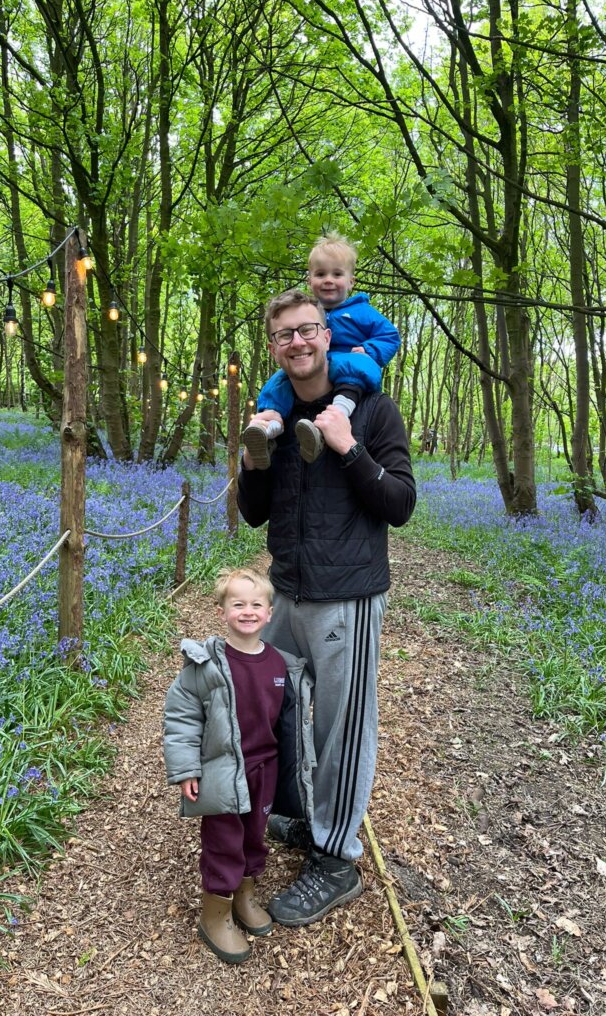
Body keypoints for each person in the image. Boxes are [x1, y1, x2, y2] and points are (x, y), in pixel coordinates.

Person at [237, 289, 416, 928]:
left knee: (340, 729)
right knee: (274, 709)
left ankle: (336, 857)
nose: (298, 343)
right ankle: (300, 814)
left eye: (307, 330)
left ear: (328, 334)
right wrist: (255, 454)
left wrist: (348, 447)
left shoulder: (371, 409)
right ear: (274, 347)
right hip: (287, 590)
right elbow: (253, 511)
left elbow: (399, 503)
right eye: (284, 335)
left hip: (349, 598)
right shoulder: (274, 412)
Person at [162, 568, 313, 963]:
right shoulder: (206, 665)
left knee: (254, 835)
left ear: (269, 613)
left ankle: (245, 893)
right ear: (222, 611)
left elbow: (290, 724)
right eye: (237, 604)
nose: (247, 611)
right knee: (223, 840)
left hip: (265, 768)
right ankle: (216, 912)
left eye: (256, 605)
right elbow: (181, 717)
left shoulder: (280, 664)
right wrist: (186, 769)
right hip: (222, 771)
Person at [242, 233, 400, 468]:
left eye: (337, 274)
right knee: (276, 383)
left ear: (351, 281)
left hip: (348, 361)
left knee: (359, 366)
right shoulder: (304, 312)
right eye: (320, 274)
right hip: (319, 365)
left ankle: (335, 416)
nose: (328, 280)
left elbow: (390, 336)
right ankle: (268, 428)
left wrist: (369, 350)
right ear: (309, 280)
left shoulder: (361, 311)